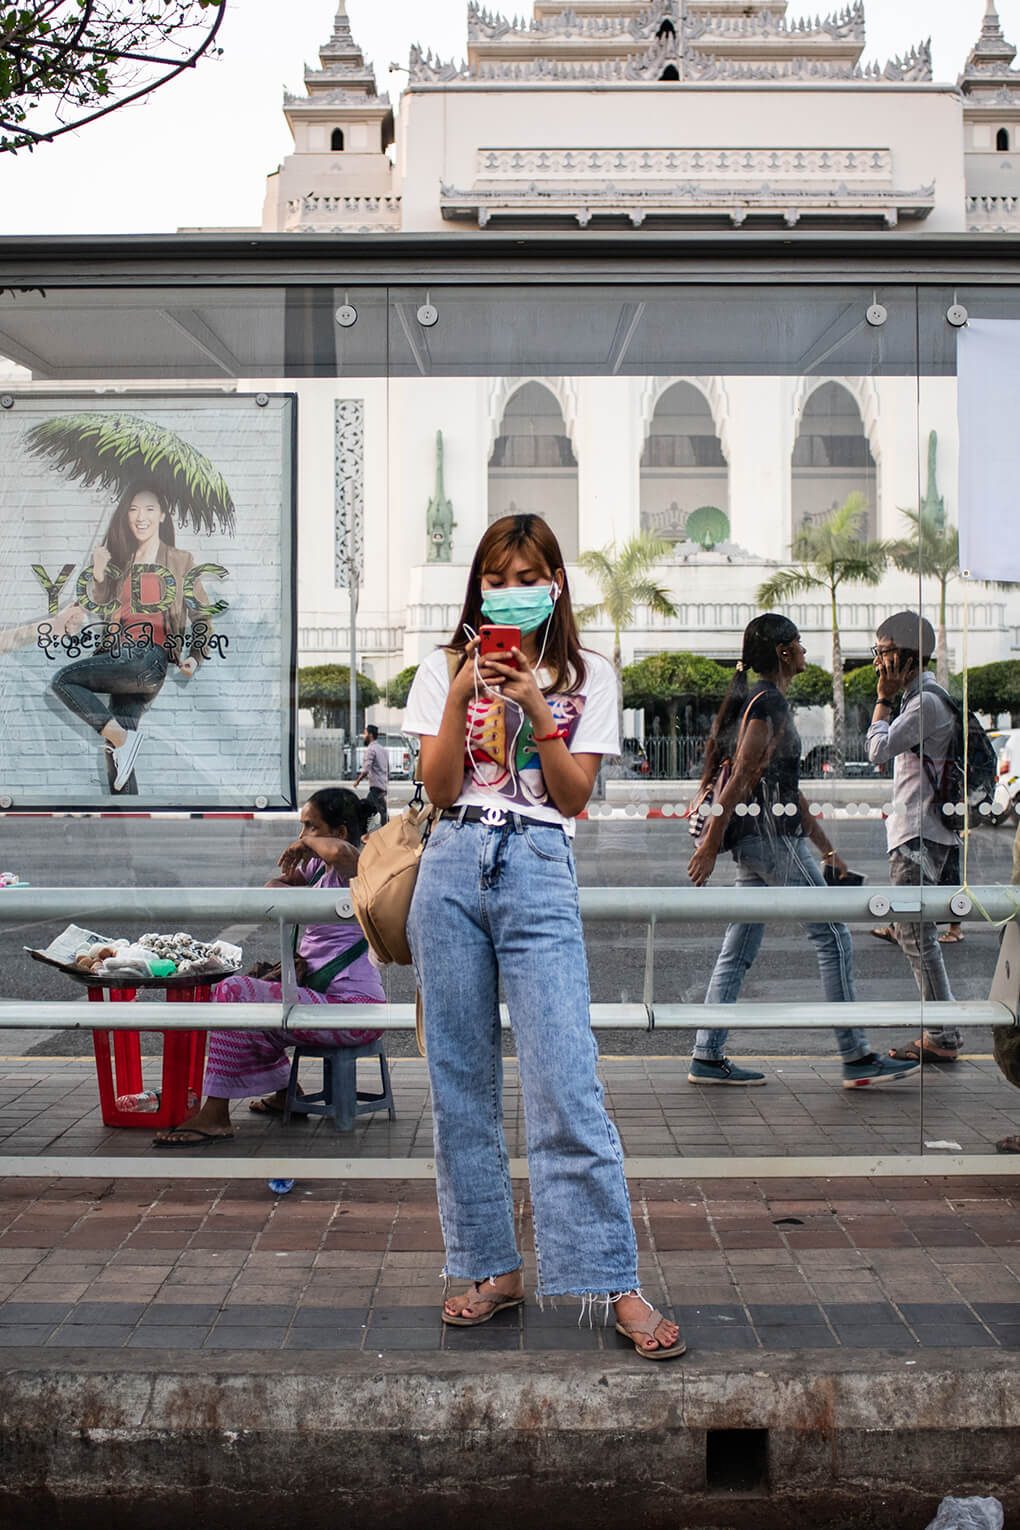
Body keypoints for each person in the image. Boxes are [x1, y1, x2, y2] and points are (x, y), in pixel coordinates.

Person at [403, 512, 683, 1359]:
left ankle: (612, 1277)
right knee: (459, 1081)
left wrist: (534, 704)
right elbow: (442, 787)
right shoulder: (440, 667)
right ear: (477, 587)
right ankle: (490, 1267)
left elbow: (569, 798)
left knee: (567, 1076)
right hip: (451, 865)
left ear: (555, 585)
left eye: (530, 578)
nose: (514, 592)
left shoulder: (590, 673)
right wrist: (462, 694)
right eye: (498, 577)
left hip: (535, 865)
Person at [686, 613, 919, 1090]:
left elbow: (784, 788)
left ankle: (707, 1055)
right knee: (833, 935)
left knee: (740, 945)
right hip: (770, 841)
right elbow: (747, 774)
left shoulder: (764, 700)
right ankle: (856, 1055)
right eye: (800, 643)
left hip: (765, 838)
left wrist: (827, 848)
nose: (806, 651)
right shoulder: (768, 701)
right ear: (783, 653)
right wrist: (710, 843)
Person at [153, 788, 383, 1147]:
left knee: (231, 992)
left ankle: (215, 1115)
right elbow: (274, 888)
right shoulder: (317, 867)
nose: (302, 834)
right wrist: (299, 869)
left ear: (337, 831)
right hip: (323, 1004)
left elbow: (341, 852)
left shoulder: (355, 867)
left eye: (311, 826)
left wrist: (308, 844)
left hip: (354, 1010)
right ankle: (284, 1092)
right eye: (301, 826)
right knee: (248, 1001)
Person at [49, 479, 213, 794]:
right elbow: (101, 603)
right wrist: (99, 572)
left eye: (149, 509)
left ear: (162, 515)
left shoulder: (180, 561)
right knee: (118, 763)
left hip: (147, 659)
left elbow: (202, 614)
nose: (141, 516)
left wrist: (195, 655)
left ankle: (125, 740)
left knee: (64, 681)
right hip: (123, 662)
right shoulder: (122, 563)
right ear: (126, 515)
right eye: (134, 509)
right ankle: (126, 818)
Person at [867, 613, 964, 1064]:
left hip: (919, 836)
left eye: (884, 652)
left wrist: (881, 703)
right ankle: (943, 1031)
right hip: (922, 832)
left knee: (914, 934)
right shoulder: (921, 698)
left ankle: (943, 1035)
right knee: (914, 933)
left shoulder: (923, 703)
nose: (878, 663)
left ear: (907, 654)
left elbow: (876, 751)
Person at [354, 722, 389, 825]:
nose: (363, 737)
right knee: (381, 812)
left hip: (376, 787)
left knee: (367, 811)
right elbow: (387, 769)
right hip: (382, 785)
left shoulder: (371, 749)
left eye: (365, 734)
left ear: (370, 735)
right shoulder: (383, 750)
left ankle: (364, 834)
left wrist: (357, 781)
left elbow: (366, 770)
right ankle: (385, 832)